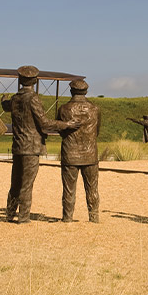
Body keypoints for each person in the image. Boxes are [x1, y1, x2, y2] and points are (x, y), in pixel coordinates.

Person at [1, 65, 79, 223]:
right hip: (31, 147)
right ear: (35, 81)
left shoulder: (15, 99)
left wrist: (3, 99)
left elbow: (6, 105)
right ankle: (23, 217)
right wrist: (67, 125)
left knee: (15, 183)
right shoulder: (33, 99)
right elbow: (44, 123)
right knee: (27, 184)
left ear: (20, 80)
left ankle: (10, 213)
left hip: (18, 146)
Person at [57, 79, 101, 222]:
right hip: (90, 154)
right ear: (86, 91)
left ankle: (67, 218)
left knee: (69, 189)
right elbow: (97, 131)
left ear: (71, 91)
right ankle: (94, 217)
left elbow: (60, 129)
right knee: (92, 188)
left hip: (70, 154)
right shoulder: (95, 109)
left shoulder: (64, 109)